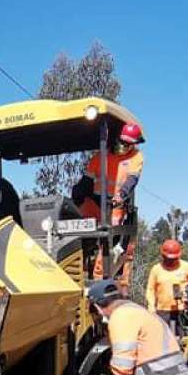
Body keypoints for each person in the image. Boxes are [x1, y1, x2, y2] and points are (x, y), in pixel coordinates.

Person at [71, 123, 145, 287]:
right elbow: (87, 181)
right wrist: (77, 194)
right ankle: (77, 269)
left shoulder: (136, 157)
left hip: (115, 204)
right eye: (122, 141)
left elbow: (132, 180)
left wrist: (121, 195)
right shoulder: (100, 157)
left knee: (111, 232)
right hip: (95, 201)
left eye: (128, 143)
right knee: (77, 226)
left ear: (134, 143)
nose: (123, 146)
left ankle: (100, 278)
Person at [145, 239, 188, 333]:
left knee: (185, 341)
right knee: (162, 341)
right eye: (168, 258)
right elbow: (150, 289)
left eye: (173, 259)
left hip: (182, 311)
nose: (171, 260)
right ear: (163, 255)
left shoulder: (186, 267)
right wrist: (151, 307)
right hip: (162, 312)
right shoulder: (156, 269)